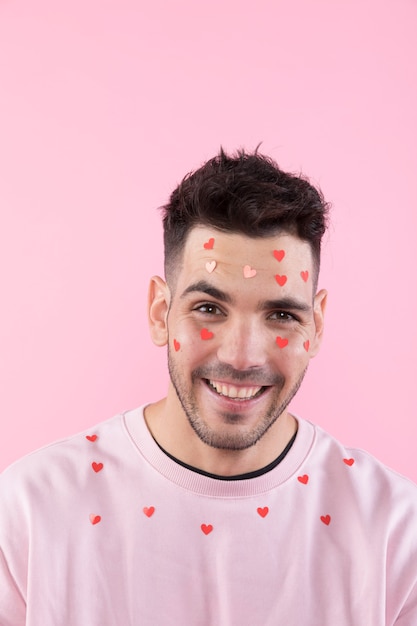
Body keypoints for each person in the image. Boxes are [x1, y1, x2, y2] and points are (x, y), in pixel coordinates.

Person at [0, 149, 416, 625]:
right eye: (208, 309)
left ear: (316, 326)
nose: (241, 356)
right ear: (160, 311)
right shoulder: (29, 511)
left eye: (281, 315)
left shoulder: (396, 533)